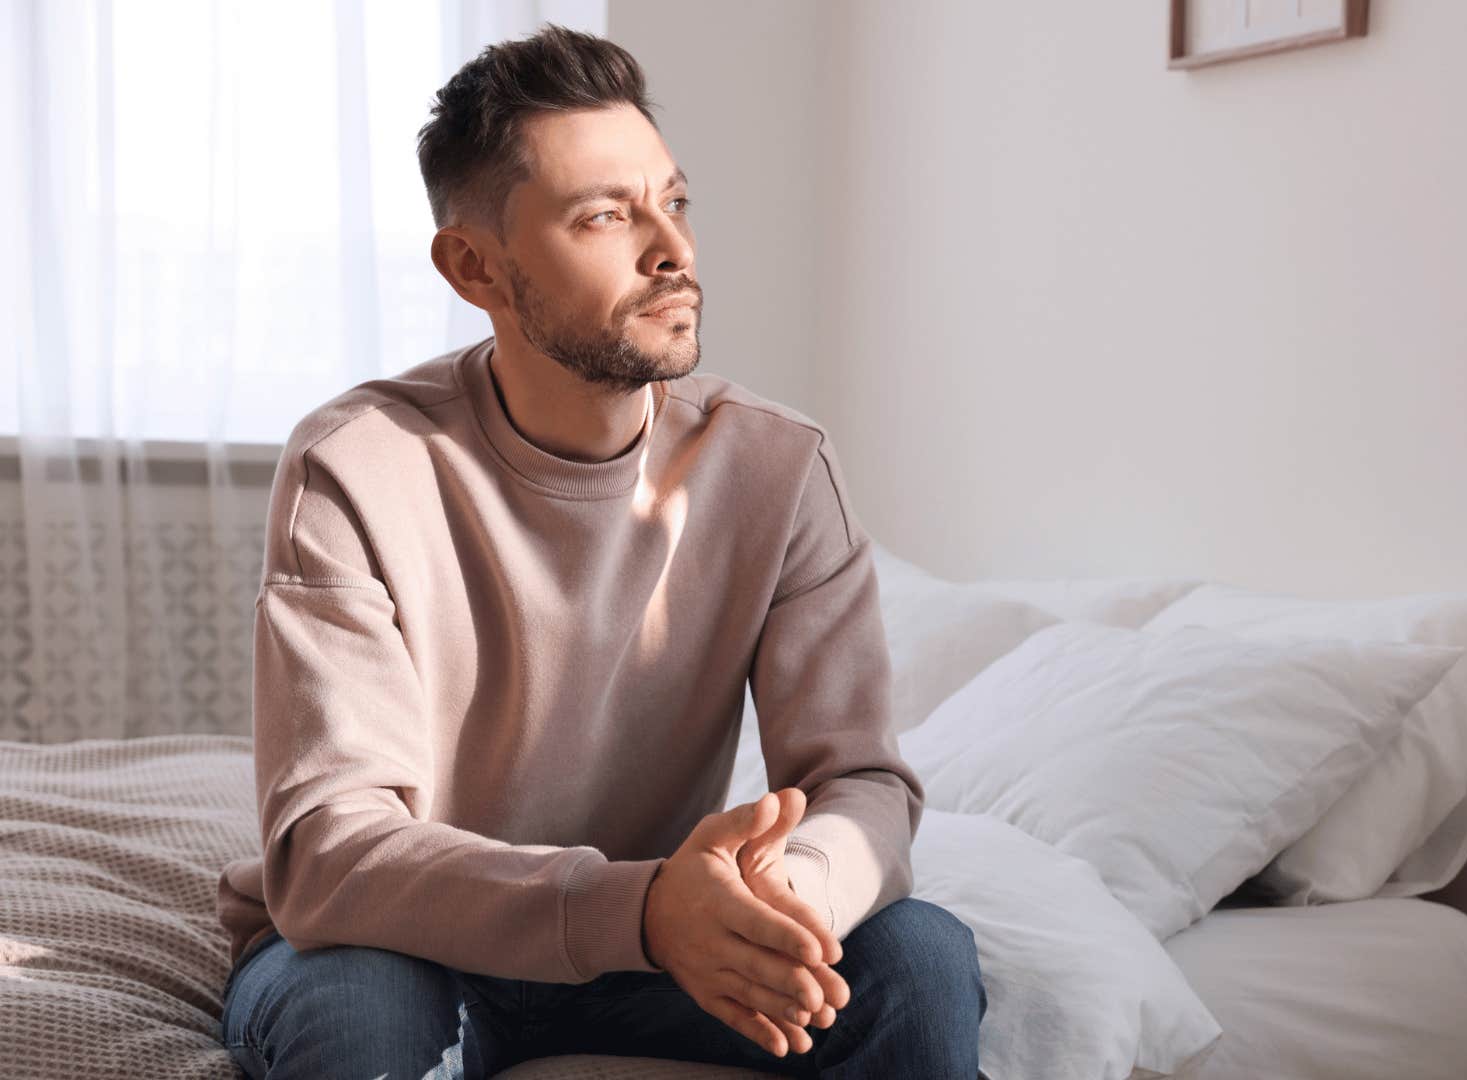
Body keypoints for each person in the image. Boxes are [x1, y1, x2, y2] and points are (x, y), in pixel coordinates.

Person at [212, 22, 984, 1079]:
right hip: (408, 947)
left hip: (658, 947)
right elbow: (331, 852)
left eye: (672, 201)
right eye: (606, 215)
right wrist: (643, 909)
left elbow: (859, 782)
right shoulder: (360, 463)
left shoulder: (777, 468)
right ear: (474, 266)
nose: (671, 249)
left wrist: (786, 902)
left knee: (921, 960)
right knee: (361, 1023)